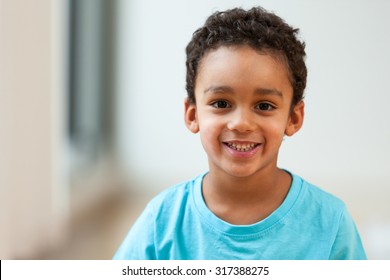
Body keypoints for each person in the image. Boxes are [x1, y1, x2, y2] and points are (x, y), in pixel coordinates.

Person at [113, 6, 366, 260]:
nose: (241, 123)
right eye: (221, 103)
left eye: (264, 106)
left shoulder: (331, 224)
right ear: (192, 115)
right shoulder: (161, 223)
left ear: (293, 117)